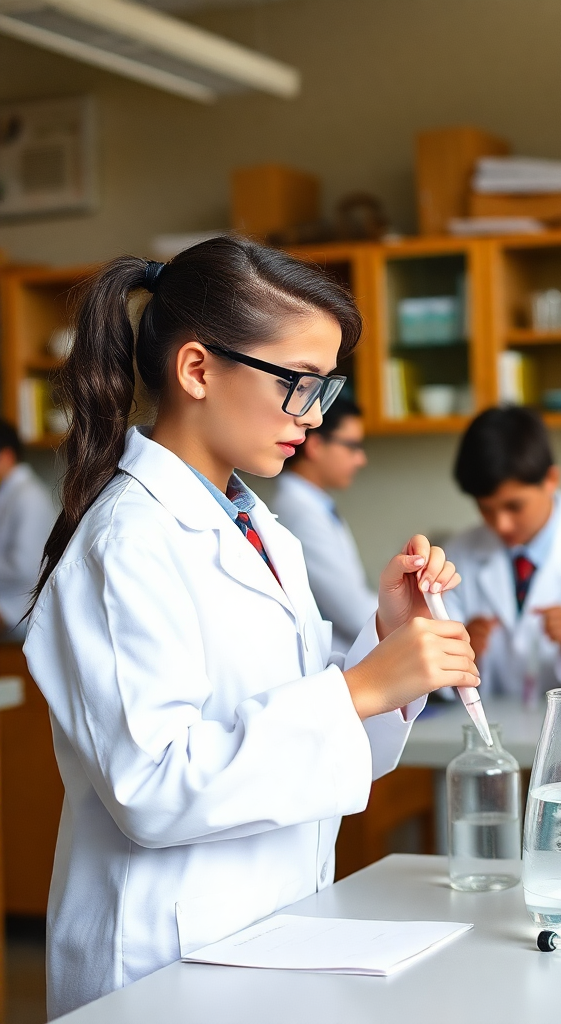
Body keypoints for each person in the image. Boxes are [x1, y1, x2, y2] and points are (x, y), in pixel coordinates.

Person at [24, 237, 478, 1017]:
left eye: (324, 388)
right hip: (161, 962)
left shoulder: (259, 530)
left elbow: (332, 759)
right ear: (197, 370)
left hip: (270, 935)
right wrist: (358, 690)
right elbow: (152, 788)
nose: (313, 415)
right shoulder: (127, 540)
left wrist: (384, 640)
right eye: (297, 383)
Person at [445, 406, 561, 700]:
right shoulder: (458, 555)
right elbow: (435, 677)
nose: (501, 524)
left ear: (551, 479)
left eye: (514, 506)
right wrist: (459, 652)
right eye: (485, 509)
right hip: (493, 724)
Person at [273, 395, 377, 654]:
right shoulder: (300, 513)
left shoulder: (313, 505)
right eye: (352, 446)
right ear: (316, 446)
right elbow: (353, 611)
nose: (361, 459)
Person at [0, 420, 55, 638]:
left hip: (20, 611)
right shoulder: (11, 492)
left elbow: (24, 567)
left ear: (7, 456)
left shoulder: (29, 497)